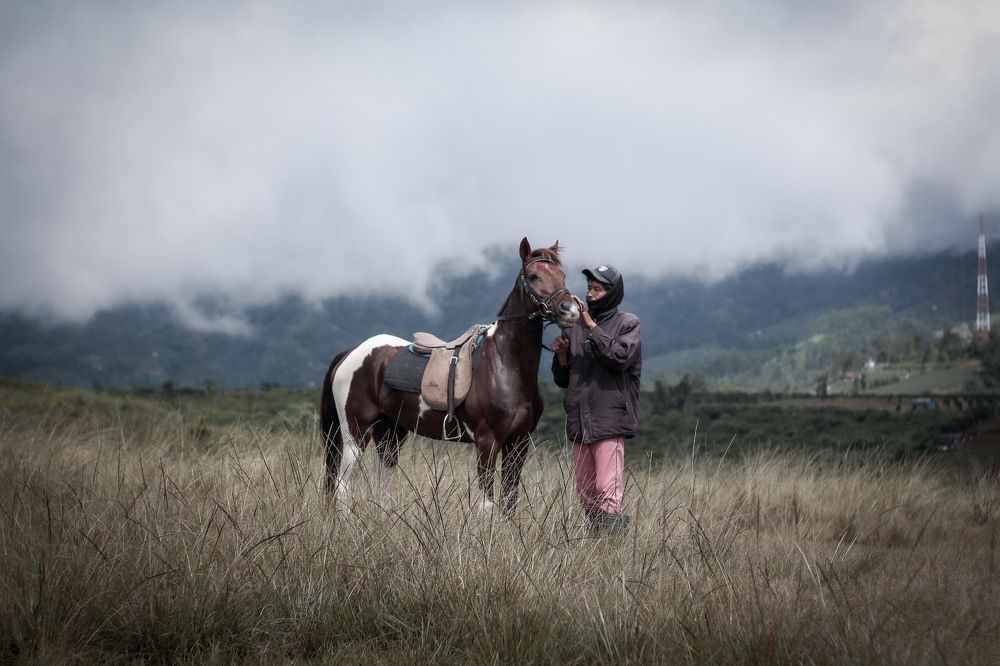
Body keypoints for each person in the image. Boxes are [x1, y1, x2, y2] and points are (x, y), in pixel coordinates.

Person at [551, 264, 642, 536]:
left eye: (598, 289)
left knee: (607, 489)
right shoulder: (574, 329)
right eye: (589, 288)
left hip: (609, 420)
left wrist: (590, 325)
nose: (590, 294)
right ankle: (597, 548)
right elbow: (562, 379)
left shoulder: (629, 324)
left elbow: (619, 358)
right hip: (579, 422)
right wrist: (562, 356)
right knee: (586, 492)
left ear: (612, 293)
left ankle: (613, 550)